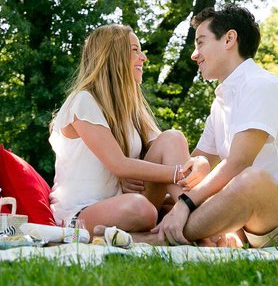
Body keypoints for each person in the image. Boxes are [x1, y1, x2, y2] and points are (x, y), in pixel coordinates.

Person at [147, 5, 278, 248]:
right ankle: (177, 230)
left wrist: (184, 205)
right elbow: (196, 168)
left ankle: (149, 238)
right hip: (246, 221)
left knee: (250, 179)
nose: (194, 54)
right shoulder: (221, 102)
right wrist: (172, 193)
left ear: (229, 39)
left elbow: (238, 163)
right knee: (172, 142)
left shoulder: (261, 85)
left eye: (200, 42)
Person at [49, 25, 191, 234]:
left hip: (123, 200)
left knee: (173, 138)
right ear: (112, 56)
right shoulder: (83, 101)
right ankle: (182, 225)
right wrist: (180, 174)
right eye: (135, 50)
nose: (143, 57)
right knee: (142, 209)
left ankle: (187, 210)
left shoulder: (133, 110)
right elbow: (119, 165)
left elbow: (166, 153)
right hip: (81, 212)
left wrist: (179, 189)